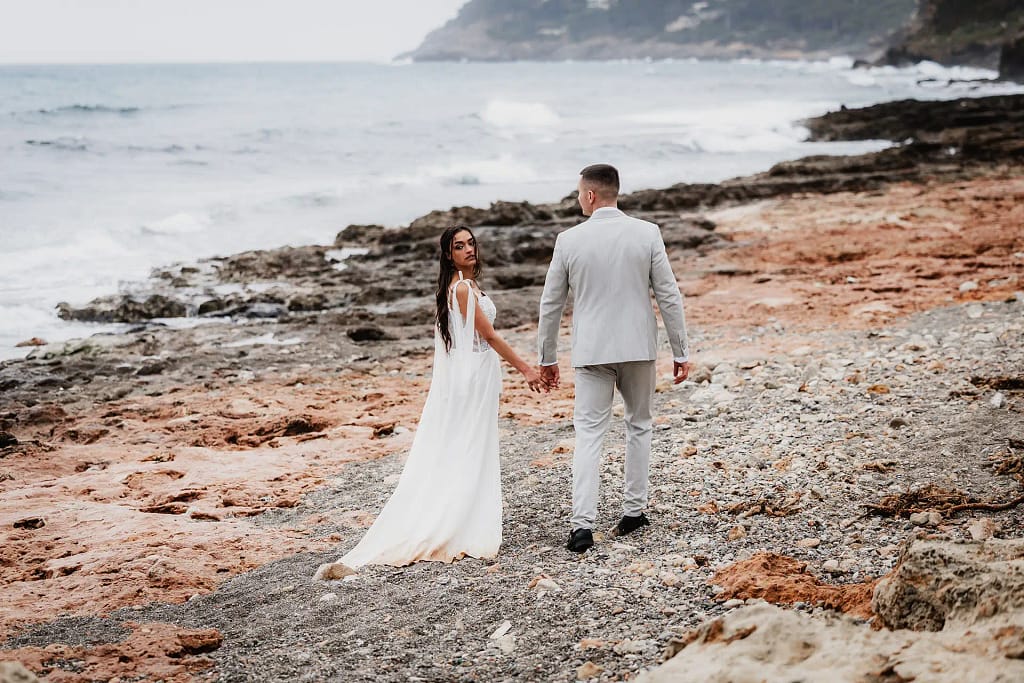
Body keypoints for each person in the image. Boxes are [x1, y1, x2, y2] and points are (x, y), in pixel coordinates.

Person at [315, 226, 546, 575]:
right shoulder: (463, 289)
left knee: (470, 447)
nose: (468, 249)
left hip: (475, 377)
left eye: (471, 243)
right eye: (459, 246)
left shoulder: (461, 287)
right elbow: (489, 336)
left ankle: (464, 513)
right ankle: (457, 521)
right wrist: (527, 369)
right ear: (448, 255)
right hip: (473, 380)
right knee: (469, 447)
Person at [537, 164, 690, 554]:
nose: (577, 199)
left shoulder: (568, 240)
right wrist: (680, 349)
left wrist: (547, 356)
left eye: (578, 193)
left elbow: (551, 303)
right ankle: (634, 512)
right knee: (639, 425)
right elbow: (668, 294)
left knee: (589, 434)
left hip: (592, 351)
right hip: (639, 346)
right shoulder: (646, 232)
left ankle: (582, 527)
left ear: (590, 195)